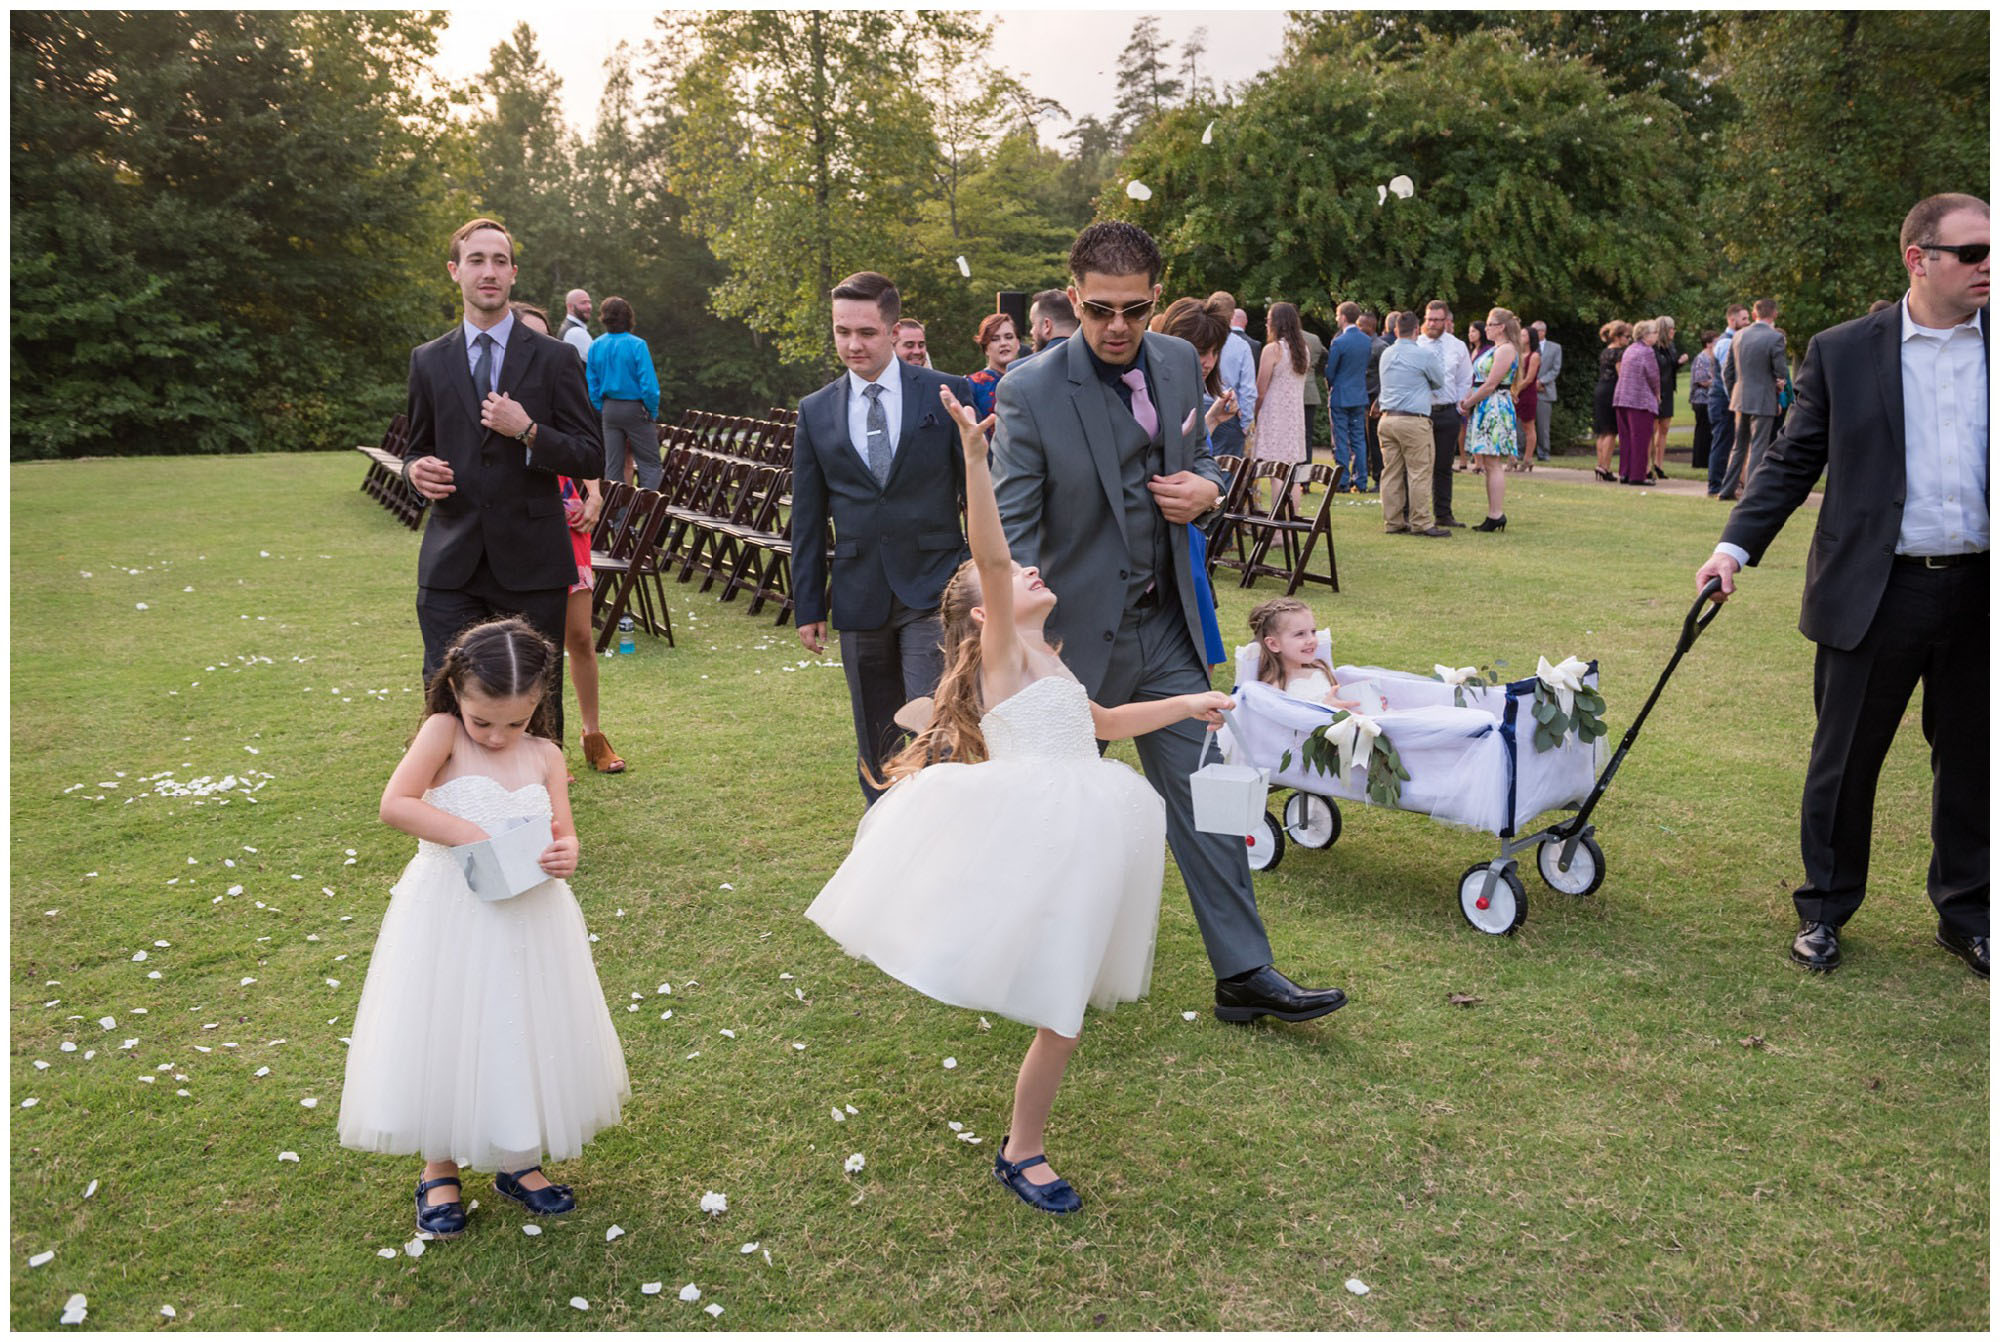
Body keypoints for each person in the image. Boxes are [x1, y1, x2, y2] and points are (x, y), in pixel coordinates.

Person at [807, 387, 1235, 1215]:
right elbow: (996, 557)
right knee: (1058, 1003)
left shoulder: (1055, 660)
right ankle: (1023, 1150)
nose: (1030, 573)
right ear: (980, 618)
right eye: (1004, 582)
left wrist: (1186, 705)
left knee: (1062, 1003)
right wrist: (975, 461)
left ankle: (1022, 1144)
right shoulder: (1003, 650)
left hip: (1083, 829)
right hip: (1042, 828)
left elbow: (1103, 719)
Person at [995, 221, 1347, 1025]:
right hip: (1069, 648)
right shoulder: (1031, 391)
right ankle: (1016, 964)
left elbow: (1210, 456)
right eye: (1097, 310)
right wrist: (1020, 652)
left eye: (1134, 309)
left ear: (1158, 295)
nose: (1116, 327)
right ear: (1072, 294)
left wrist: (1212, 488)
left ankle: (1244, 972)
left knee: (1209, 803)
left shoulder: (1183, 360)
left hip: (1168, 630)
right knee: (1046, 817)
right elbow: (1013, 533)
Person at [1695, 192, 1989, 979]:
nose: (1988, 266)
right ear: (1918, 259)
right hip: (1876, 589)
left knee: (1972, 760)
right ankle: (1824, 909)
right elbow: (1792, 461)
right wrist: (1734, 549)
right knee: (1846, 759)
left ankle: (1968, 915)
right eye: (1972, 253)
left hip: (1981, 589)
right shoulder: (1845, 350)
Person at [339, 617, 629, 1238]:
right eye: (483, 721)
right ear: (457, 695)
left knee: (519, 1021)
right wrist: (475, 837)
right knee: (449, 1022)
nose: (497, 737)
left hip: (531, 915)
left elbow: (562, 830)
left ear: (539, 707)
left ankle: (517, 1156)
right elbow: (396, 803)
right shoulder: (442, 733)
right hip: (450, 911)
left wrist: (566, 853)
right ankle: (438, 1163)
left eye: (515, 723)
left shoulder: (547, 755)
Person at [400, 218, 603, 747]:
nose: (487, 271)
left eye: (498, 261)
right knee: (445, 692)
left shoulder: (556, 358)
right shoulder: (428, 360)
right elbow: (417, 445)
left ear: (513, 273)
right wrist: (414, 470)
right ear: (454, 272)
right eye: (475, 260)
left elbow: (590, 452)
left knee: (536, 696)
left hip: (533, 558)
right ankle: (454, 807)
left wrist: (530, 431)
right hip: (452, 559)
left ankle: (541, 810)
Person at [790, 271, 973, 806]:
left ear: (893, 331)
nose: (852, 344)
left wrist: (984, 575)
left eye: (866, 332)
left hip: (934, 585)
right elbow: (807, 515)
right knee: (874, 732)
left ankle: (936, 830)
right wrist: (808, 602)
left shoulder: (945, 393)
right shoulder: (816, 409)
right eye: (842, 331)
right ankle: (882, 835)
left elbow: (978, 492)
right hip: (858, 589)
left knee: (930, 720)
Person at [514, 302, 623, 775]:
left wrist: (595, 496)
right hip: (517, 526)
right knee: (524, 641)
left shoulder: (557, 384)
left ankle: (592, 734)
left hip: (567, 519)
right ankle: (522, 740)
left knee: (578, 635)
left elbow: (588, 449)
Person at [1152, 297, 1239, 668]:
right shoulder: (1150, 390)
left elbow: (1191, 451)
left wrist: (1212, 420)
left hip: (1190, 534)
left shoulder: (1190, 392)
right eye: (1199, 350)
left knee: (1199, 655)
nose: (1206, 360)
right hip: (1163, 536)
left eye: (1213, 351)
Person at [1375, 310, 1449, 537]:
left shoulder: (1386, 354)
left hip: (1387, 419)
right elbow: (1438, 382)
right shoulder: (1423, 355)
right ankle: (1421, 522)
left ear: (1395, 330)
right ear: (1417, 330)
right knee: (1419, 472)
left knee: (1391, 472)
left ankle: (1393, 521)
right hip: (1413, 420)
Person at [585, 296, 661, 491]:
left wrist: (602, 407)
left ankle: (617, 517)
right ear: (628, 317)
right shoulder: (637, 345)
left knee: (613, 465)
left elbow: (591, 383)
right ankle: (647, 512)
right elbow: (649, 385)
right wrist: (652, 411)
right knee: (650, 464)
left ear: (604, 318)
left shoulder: (596, 345)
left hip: (609, 408)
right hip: (636, 408)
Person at [1717, 298, 1790, 500]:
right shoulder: (1775, 338)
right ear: (1774, 314)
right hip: (1763, 399)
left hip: (1740, 397)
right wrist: (1780, 391)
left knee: (1738, 446)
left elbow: (1727, 372)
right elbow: (1781, 371)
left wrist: (1734, 392)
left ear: (1755, 313)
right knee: (1758, 446)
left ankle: (1726, 489)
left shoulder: (1739, 336)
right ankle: (1751, 492)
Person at [1458, 306, 1522, 530]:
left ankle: (1496, 514)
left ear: (1501, 327)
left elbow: (1491, 384)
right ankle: (1493, 513)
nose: (1486, 328)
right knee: (1486, 461)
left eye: (1490, 324)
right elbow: (1478, 380)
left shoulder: (1505, 349)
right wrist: (1468, 398)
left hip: (1494, 405)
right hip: (1485, 404)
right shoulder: (1494, 349)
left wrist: (1469, 402)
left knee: (1493, 462)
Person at [1417, 300, 1473, 527]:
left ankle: (1443, 513)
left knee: (1443, 465)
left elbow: (1464, 378)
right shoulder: (1416, 344)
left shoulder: (1456, 346)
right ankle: (1415, 513)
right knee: (1419, 466)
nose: (1431, 323)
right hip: (1420, 412)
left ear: (1446, 321)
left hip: (1447, 411)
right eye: (1429, 319)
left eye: (1436, 320)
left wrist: (1460, 406)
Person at [1248, 596, 1359, 707]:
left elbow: (1338, 699)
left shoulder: (1320, 667)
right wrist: (1328, 710)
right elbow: (1286, 720)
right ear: (1274, 644)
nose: (1311, 640)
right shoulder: (1275, 685)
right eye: (1300, 634)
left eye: (1313, 631)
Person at [1254, 301, 1312, 510]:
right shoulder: (1303, 350)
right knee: (1291, 472)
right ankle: (1290, 522)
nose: (1266, 324)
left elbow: (1260, 389)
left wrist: (1254, 412)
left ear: (1276, 323)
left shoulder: (1273, 349)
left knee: (1275, 472)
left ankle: (1278, 530)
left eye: (1268, 320)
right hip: (1294, 416)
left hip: (1274, 414)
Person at [1323, 301, 1372, 493]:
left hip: (1341, 395)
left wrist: (1333, 384)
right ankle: (1361, 481)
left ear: (1343, 317)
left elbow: (1330, 371)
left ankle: (1342, 480)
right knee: (1359, 439)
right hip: (1359, 394)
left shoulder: (1339, 342)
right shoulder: (1366, 341)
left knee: (1341, 438)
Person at [1208, 291, 1259, 456]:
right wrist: (1245, 423)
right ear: (1232, 315)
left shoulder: (1195, 339)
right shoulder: (1241, 346)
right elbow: (1247, 389)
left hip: (1196, 409)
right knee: (1226, 472)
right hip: (1227, 411)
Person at [1706, 305, 1749, 496]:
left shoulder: (1737, 340)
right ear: (1732, 320)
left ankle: (1727, 484)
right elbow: (1726, 376)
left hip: (1727, 399)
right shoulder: (1725, 343)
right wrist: (1734, 401)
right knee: (1722, 442)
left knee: (1730, 441)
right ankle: (1715, 486)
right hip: (1723, 400)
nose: (1748, 322)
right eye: (1744, 319)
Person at [1614, 319, 1662, 485]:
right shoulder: (1647, 351)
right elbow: (1653, 376)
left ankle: (1625, 472)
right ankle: (1637, 476)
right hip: (1639, 400)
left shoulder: (1630, 349)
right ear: (1646, 335)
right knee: (1640, 438)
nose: (1657, 336)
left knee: (1626, 438)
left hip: (1622, 398)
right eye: (1655, 332)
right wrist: (1657, 393)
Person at [1649, 315, 1689, 481]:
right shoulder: (1653, 348)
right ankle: (1648, 464)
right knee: (1653, 429)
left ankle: (1659, 464)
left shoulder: (1671, 347)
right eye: (1671, 328)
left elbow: (1670, 367)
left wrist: (1680, 363)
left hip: (1668, 390)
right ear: (1665, 330)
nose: (1674, 331)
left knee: (1664, 428)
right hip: (1656, 391)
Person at [1593, 320, 1631, 482]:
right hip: (1611, 390)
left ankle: (1600, 464)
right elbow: (1622, 375)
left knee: (1602, 431)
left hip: (1600, 389)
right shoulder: (1619, 353)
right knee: (1610, 431)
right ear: (1618, 337)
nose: (1629, 340)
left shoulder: (1605, 351)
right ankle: (1605, 467)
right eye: (1627, 337)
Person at [965, 312, 1021, 421]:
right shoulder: (971, 385)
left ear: (1018, 343)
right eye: (995, 339)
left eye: (1009, 337)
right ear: (985, 348)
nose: (1003, 343)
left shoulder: (1030, 379)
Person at [1509, 324, 1542, 471]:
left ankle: (1528, 459)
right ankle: (1512, 458)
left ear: (1530, 339)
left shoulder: (1534, 356)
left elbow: (1529, 378)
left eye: (1523, 335)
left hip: (1527, 394)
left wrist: (1516, 390)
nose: (1520, 338)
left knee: (1528, 426)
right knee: (1509, 425)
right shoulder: (1516, 354)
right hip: (1514, 392)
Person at [1688, 329, 1720, 472]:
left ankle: (1707, 460)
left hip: (1710, 399)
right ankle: (1700, 461)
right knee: (1703, 431)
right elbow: (1701, 380)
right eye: (1715, 341)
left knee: (1709, 431)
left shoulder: (1714, 358)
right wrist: (1719, 382)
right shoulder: (1701, 358)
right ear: (1708, 344)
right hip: (1701, 400)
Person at [1531, 320, 1562, 462]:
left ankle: (1543, 453)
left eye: (1536, 331)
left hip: (1544, 391)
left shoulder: (1555, 348)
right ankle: (1520, 452)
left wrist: (1541, 381)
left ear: (1543, 332)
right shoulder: (1526, 346)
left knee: (1543, 426)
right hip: (1526, 389)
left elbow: (1555, 369)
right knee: (1522, 424)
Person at [1298, 323, 1328, 460]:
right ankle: (1305, 476)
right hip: (1310, 390)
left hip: (1291, 392)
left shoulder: (1284, 339)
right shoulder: (1314, 338)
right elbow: (1326, 354)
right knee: (1307, 436)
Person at [1026, 288, 1079, 355]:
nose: (1031, 331)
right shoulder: (1092, 362)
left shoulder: (1022, 365)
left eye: (1033, 324)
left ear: (1047, 325)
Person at [559, 289, 593, 361]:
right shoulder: (576, 332)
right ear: (570, 306)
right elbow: (596, 361)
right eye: (583, 303)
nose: (589, 307)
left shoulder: (568, 327)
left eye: (589, 302)